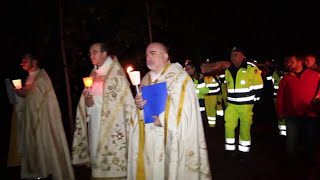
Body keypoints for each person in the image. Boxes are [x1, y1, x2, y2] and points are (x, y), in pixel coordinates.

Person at [128, 42, 211, 180]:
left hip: (172, 136)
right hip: (149, 137)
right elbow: (139, 111)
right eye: (147, 54)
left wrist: (163, 119)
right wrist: (139, 106)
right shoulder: (145, 79)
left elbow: (185, 109)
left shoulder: (179, 77)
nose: (148, 57)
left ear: (165, 56)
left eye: (153, 53)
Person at [72, 43, 137, 179]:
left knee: (113, 161)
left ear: (104, 53)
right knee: (97, 160)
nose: (91, 56)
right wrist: (88, 104)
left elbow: (125, 102)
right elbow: (88, 101)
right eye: (90, 53)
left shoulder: (116, 74)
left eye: (94, 52)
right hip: (95, 124)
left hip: (113, 127)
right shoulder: (93, 73)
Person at [8, 54, 75, 180]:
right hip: (31, 121)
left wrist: (26, 93)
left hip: (43, 121)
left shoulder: (42, 78)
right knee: (33, 150)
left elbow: (40, 98)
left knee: (45, 147)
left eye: (25, 60)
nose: (22, 63)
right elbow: (28, 98)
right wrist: (20, 94)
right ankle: (37, 174)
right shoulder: (29, 78)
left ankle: (49, 173)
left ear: (35, 62)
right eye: (21, 61)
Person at [276, 55, 320, 167]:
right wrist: (280, 111)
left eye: (291, 61)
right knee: (291, 139)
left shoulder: (314, 75)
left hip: (310, 113)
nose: (289, 64)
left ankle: (310, 159)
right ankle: (290, 161)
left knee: (310, 138)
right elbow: (280, 96)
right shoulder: (285, 78)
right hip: (292, 114)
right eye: (287, 62)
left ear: (300, 62)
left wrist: (318, 97)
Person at [224, 47, 263, 160]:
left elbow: (259, 86)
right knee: (228, 126)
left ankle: (243, 151)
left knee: (245, 128)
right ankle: (230, 149)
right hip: (231, 105)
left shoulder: (251, 68)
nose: (233, 57)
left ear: (243, 56)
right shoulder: (228, 71)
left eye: (236, 54)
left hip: (246, 105)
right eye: (232, 55)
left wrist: (254, 101)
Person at [184, 59, 210, 129]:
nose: (187, 70)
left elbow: (205, 91)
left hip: (199, 104)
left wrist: (201, 81)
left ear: (193, 69)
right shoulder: (184, 80)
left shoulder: (198, 78)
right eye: (185, 69)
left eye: (188, 68)